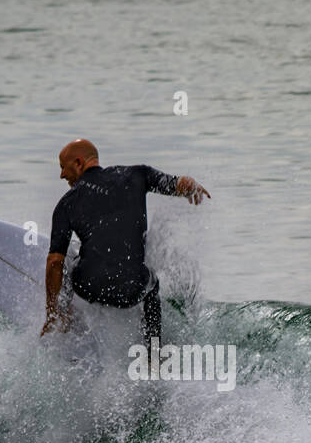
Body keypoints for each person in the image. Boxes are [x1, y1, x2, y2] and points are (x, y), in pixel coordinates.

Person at [40, 139, 209, 343]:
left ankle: (63, 318)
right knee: (151, 284)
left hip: (89, 287)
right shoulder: (137, 174)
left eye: (62, 168)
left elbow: (54, 263)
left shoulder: (65, 203)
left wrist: (51, 312)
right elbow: (176, 184)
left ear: (78, 162)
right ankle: (152, 357)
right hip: (131, 290)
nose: (61, 175)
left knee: (67, 258)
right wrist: (191, 186)